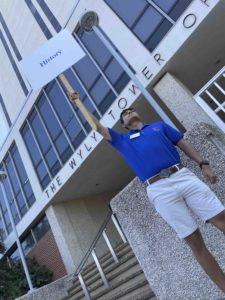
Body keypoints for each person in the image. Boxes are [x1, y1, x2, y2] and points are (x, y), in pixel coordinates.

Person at [69, 92, 225, 293]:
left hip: (182, 176)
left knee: (220, 217)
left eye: (131, 109)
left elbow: (183, 143)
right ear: (124, 125)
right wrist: (78, 103)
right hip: (158, 189)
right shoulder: (122, 140)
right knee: (193, 240)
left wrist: (203, 164)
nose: (129, 112)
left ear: (138, 114)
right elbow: (97, 127)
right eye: (124, 114)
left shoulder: (159, 126)